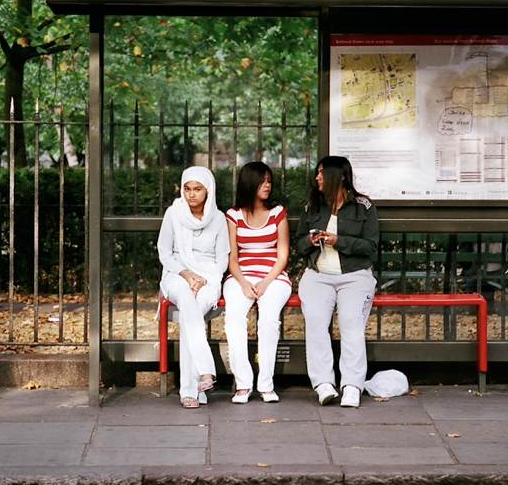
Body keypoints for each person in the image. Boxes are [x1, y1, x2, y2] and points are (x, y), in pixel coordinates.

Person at [295, 155, 379, 408]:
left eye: (322, 173)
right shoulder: (312, 206)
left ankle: (352, 385)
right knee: (315, 323)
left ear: (340, 176)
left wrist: (338, 241)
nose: (317, 177)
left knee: (351, 324)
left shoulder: (363, 207)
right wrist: (310, 241)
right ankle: (323, 384)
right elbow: (299, 244)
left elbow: (371, 247)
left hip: (355, 276)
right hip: (318, 276)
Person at [157, 166, 229, 409]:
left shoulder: (218, 219)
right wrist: (187, 274)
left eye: (197, 189)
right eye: (187, 188)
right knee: (188, 302)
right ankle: (202, 375)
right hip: (177, 274)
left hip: (208, 278)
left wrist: (204, 278)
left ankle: (193, 388)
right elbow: (165, 253)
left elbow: (222, 259)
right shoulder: (173, 213)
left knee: (193, 312)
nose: (191, 194)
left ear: (208, 190)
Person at [223, 162, 292, 404]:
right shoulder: (233, 215)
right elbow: (232, 258)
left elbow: (283, 255)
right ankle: (243, 384)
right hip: (240, 276)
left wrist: (266, 282)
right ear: (250, 183)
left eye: (269, 181)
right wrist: (243, 283)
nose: (267, 185)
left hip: (273, 276)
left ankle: (266, 384)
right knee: (234, 318)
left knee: (269, 320)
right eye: (262, 181)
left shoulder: (277, 213)